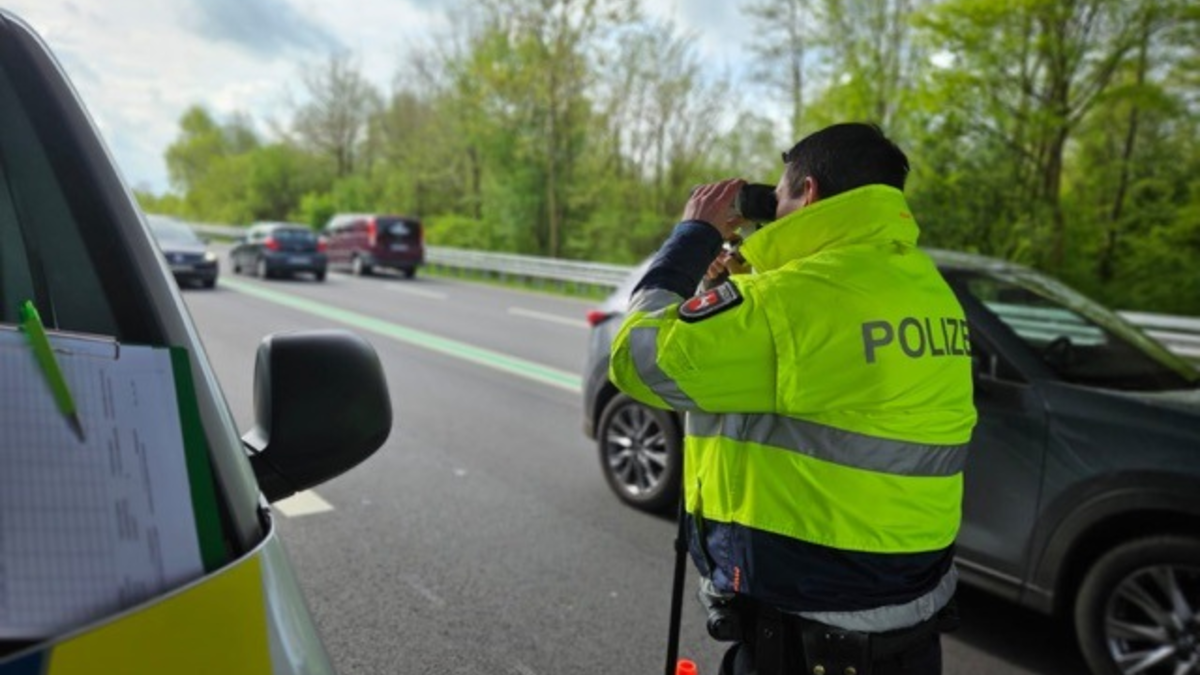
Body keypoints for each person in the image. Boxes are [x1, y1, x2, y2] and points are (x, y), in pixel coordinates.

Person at [608, 123, 977, 675]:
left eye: (778, 196)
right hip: (910, 615)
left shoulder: (793, 302)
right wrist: (739, 277)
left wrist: (691, 237)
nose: (771, 210)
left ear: (808, 194)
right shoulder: (926, 286)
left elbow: (638, 358)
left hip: (809, 634)